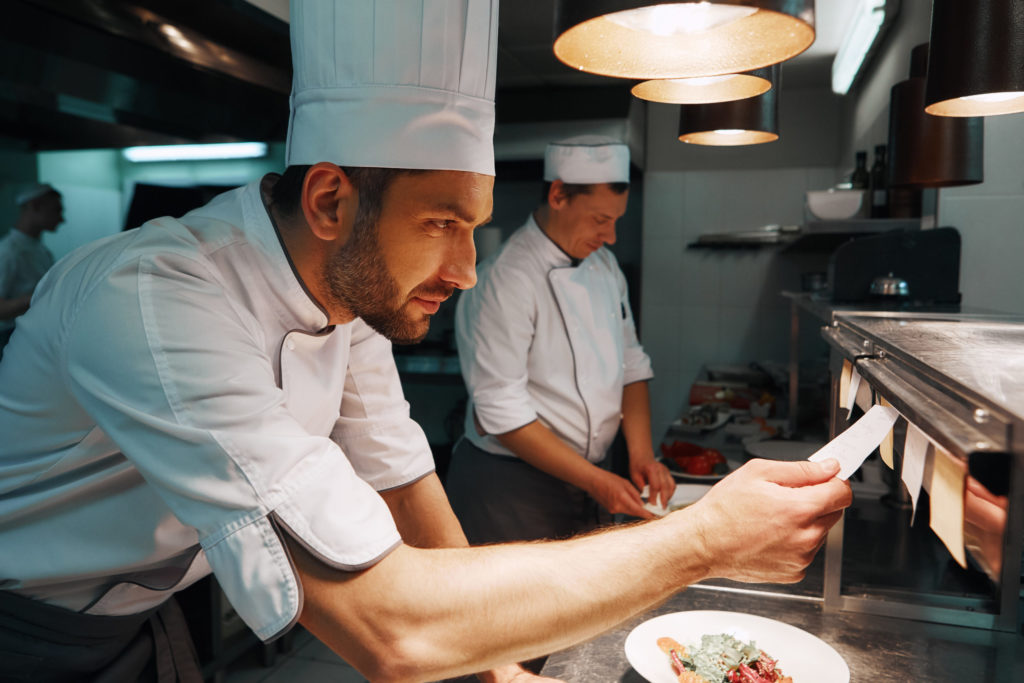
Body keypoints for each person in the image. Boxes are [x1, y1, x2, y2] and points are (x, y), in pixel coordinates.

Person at [0, 2, 851, 682]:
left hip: (140, 616)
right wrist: (706, 537)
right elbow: (388, 630)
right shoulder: (155, 294)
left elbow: (404, 478)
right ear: (330, 202)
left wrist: (496, 666)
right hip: (26, 629)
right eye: (443, 223)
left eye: (473, 227)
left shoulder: (346, 300)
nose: (469, 269)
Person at [446, 136, 675, 544]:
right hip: (511, 491)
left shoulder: (604, 266)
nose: (611, 236)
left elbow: (631, 364)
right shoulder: (506, 278)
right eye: (600, 219)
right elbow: (502, 412)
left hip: (587, 481)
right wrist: (596, 480)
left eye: (616, 220)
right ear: (558, 196)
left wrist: (642, 455)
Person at [0, 182, 62, 354]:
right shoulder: (8, 251)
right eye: (56, 210)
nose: (62, 219)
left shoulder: (41, 250)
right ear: (36, 206)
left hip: (34, 335)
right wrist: (44, 294)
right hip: (12, 339)